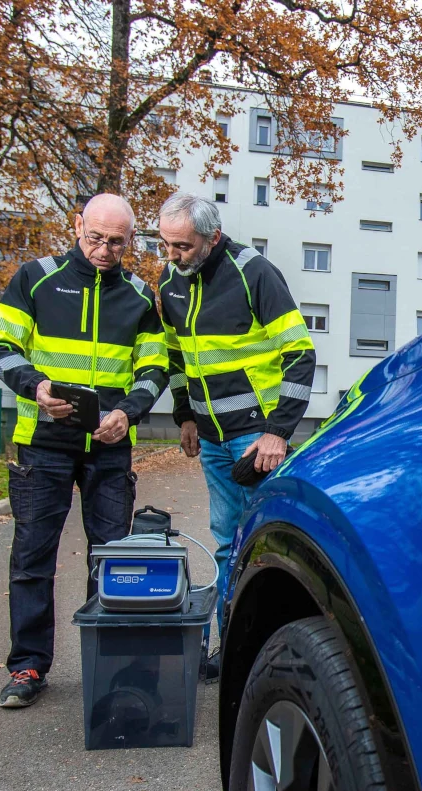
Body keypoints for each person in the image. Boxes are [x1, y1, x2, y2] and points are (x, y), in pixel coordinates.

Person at [0, 194, 169, 708]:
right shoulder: (35, 277)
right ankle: (27, 667)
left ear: (130, 241)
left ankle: (108, 670)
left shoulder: (140, 296)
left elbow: (155, 368)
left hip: (109, 447)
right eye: (95, 238)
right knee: (32, 558)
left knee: (110, 559)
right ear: (77, 226)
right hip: (43, 443)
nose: (104, 250)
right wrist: (36, 387)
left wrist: (127, 412)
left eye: (116, 242)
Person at [156, 192, 315, 673]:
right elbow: (177, 357)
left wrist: (277, 432)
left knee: (266, 545)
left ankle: (273, 656)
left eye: (183, 246)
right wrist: (185, 416)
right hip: (211, 439)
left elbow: (300, 354)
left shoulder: (254, 273)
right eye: (165, 244)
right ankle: (233, 654)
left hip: (256, 440)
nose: (172, 256)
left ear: (213, 237)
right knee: (226, 544)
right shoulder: (170, 281)